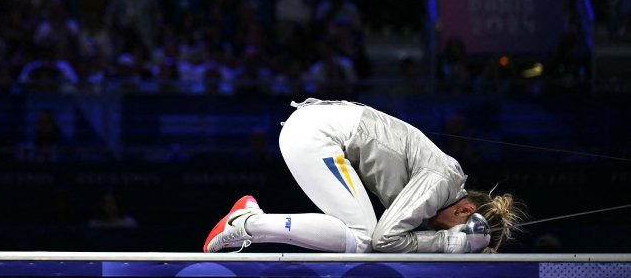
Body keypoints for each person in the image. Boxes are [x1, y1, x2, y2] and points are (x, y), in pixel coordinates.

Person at [203, 99, 524, 254]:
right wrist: (446, 241)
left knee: (363, 238)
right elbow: (385, 240)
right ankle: (246, 223)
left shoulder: (442, 183)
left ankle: (248, 222)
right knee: (366, 239)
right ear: (466, 211)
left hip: (314, 132)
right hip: (317, 134)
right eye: (464, 237)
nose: (457, 244)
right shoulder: (442, 180)